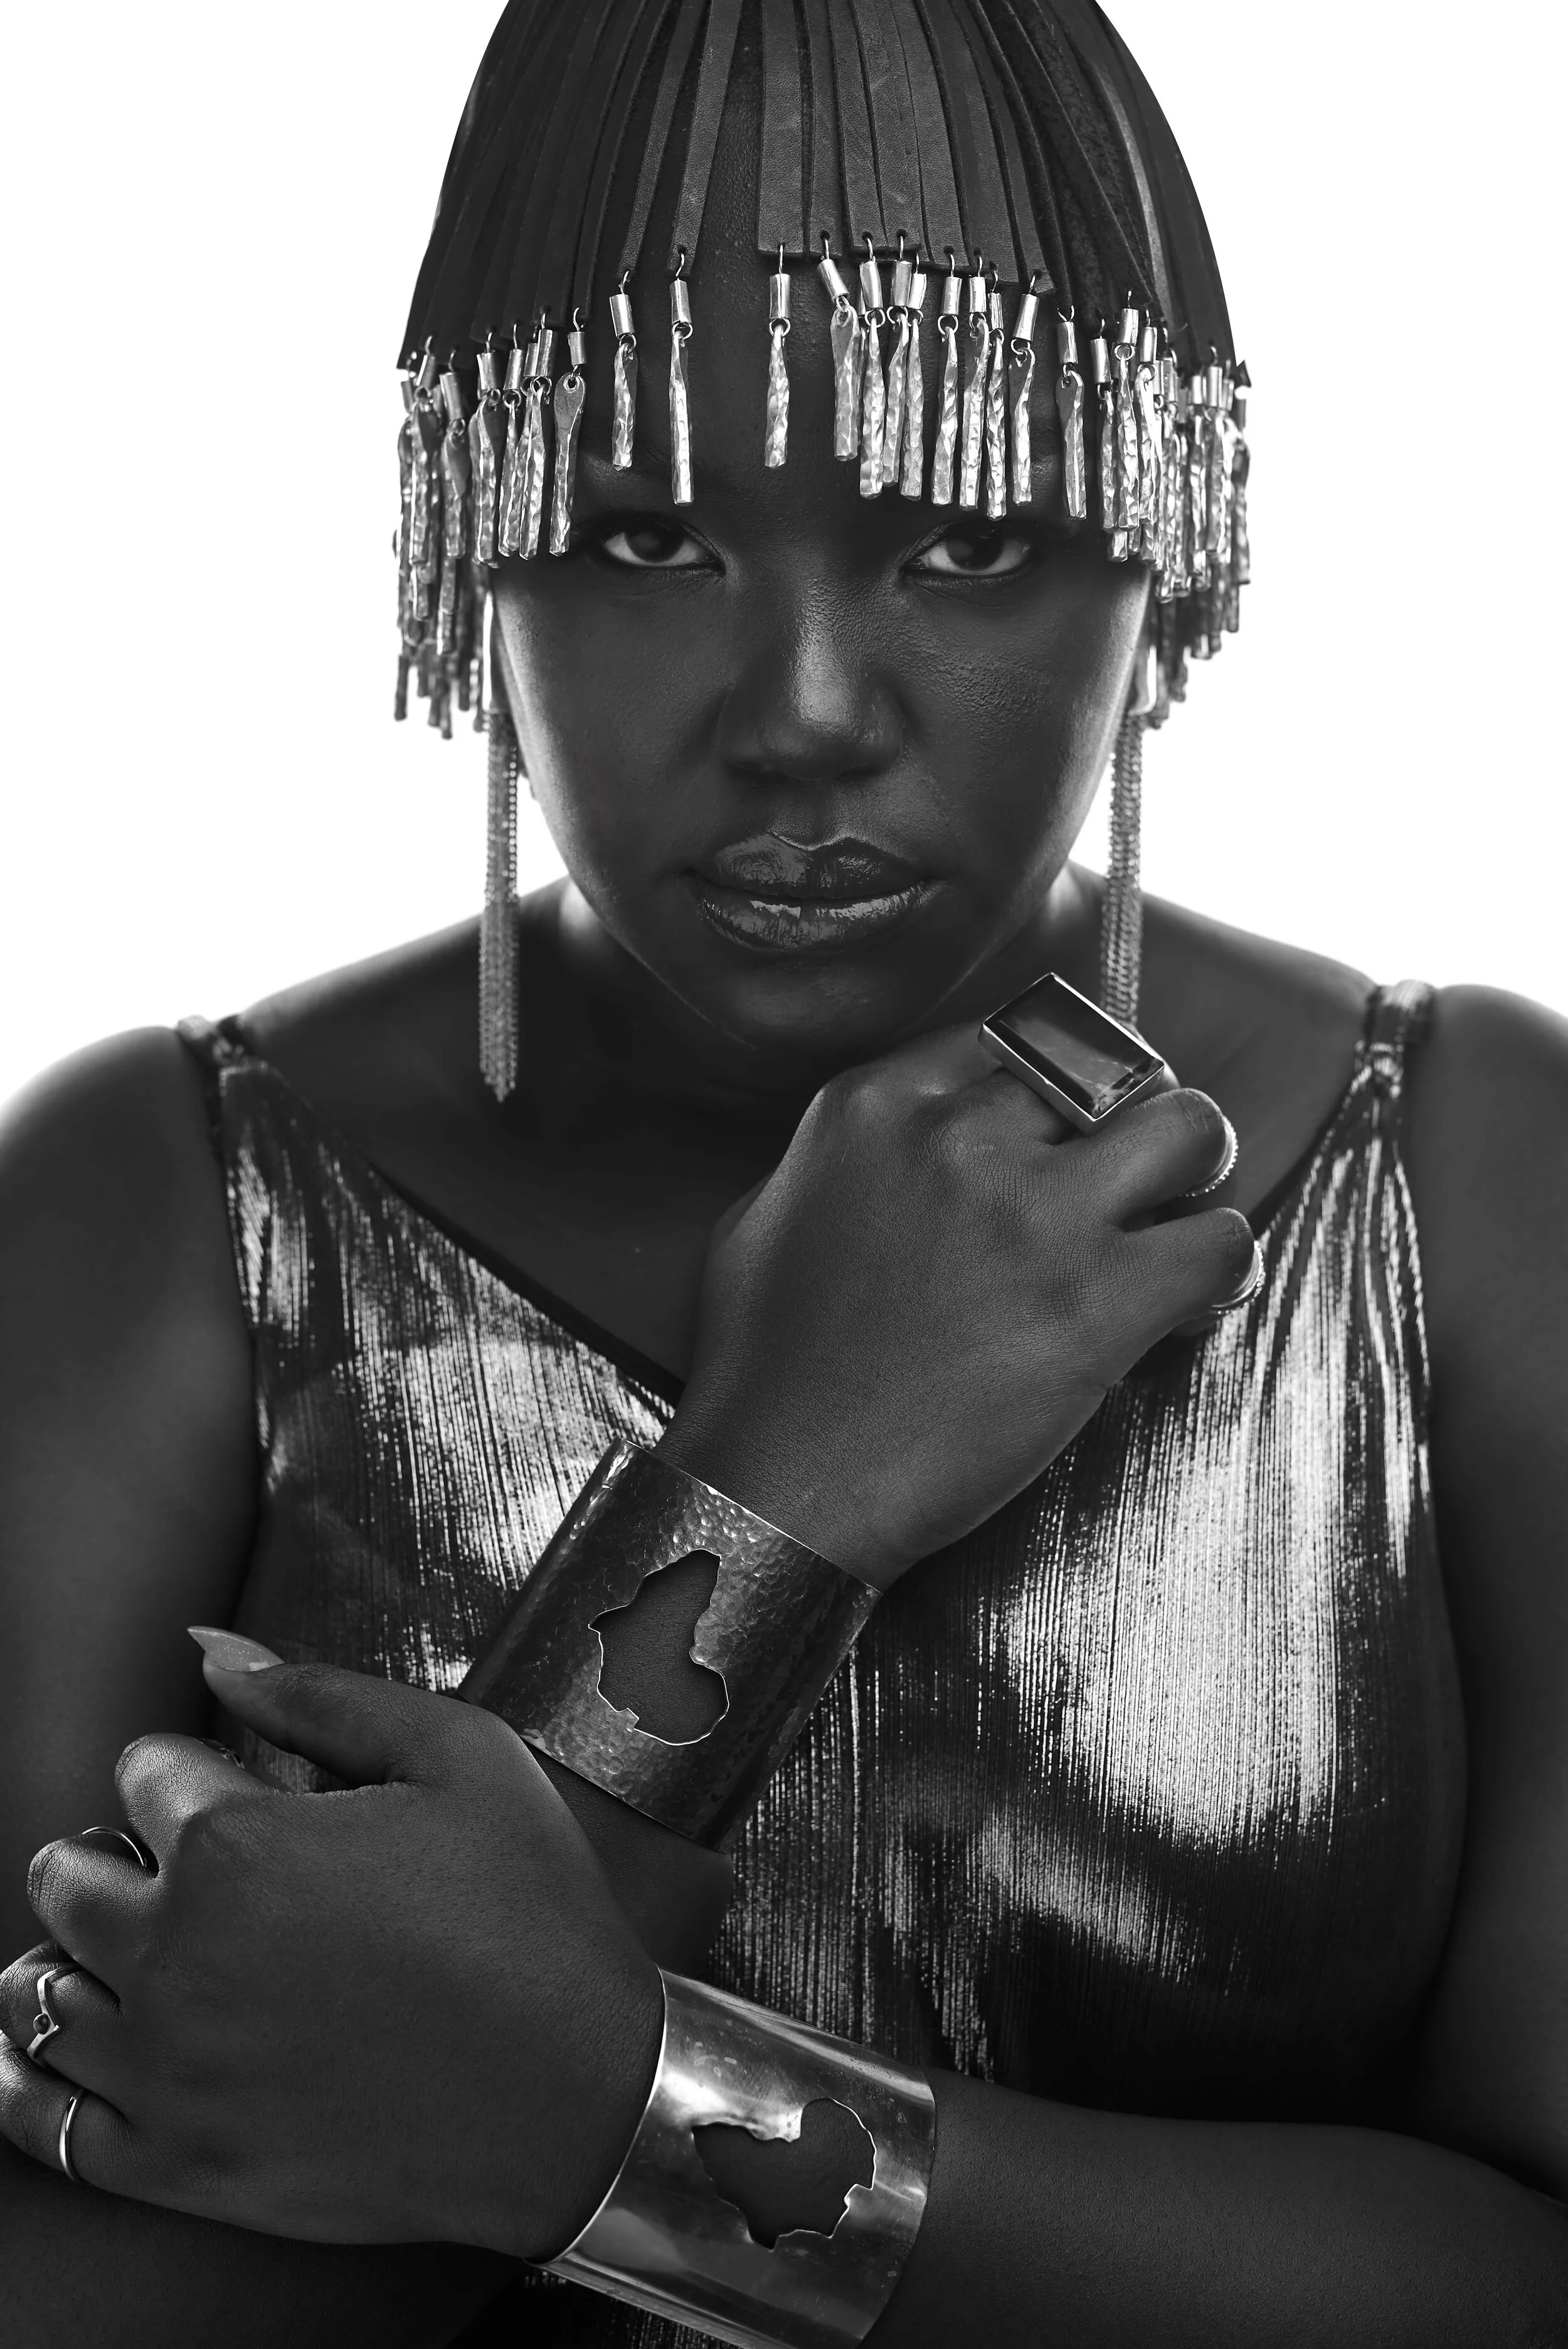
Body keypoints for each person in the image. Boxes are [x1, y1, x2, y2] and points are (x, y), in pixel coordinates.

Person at [1, 3, 1564, 2342]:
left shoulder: (1466, 1165)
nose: (807, 704)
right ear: (466, 544)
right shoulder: (154, 1191)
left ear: (1165, 543)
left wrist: (605, 2116)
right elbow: (68, 2267)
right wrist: (783, 1469)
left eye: (959, 531)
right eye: (643, 533)